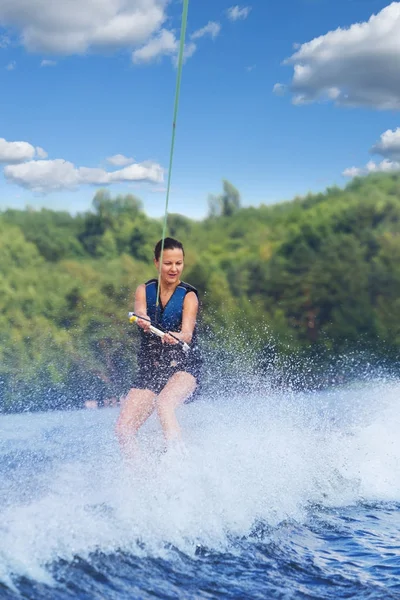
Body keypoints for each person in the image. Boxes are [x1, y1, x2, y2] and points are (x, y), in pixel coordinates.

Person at [116, 237, 201, 458]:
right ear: (156, 263)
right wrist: (142, 319)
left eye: (178, 263)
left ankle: (179, 463)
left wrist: (177, 336)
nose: (174, 269)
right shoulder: (144, 290)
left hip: (183, 367)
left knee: (165, 404)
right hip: (151, 368)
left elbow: (187, 334)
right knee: (124, 429)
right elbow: (141, 312)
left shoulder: (189, 296)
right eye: (168, 263)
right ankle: (142, 480)